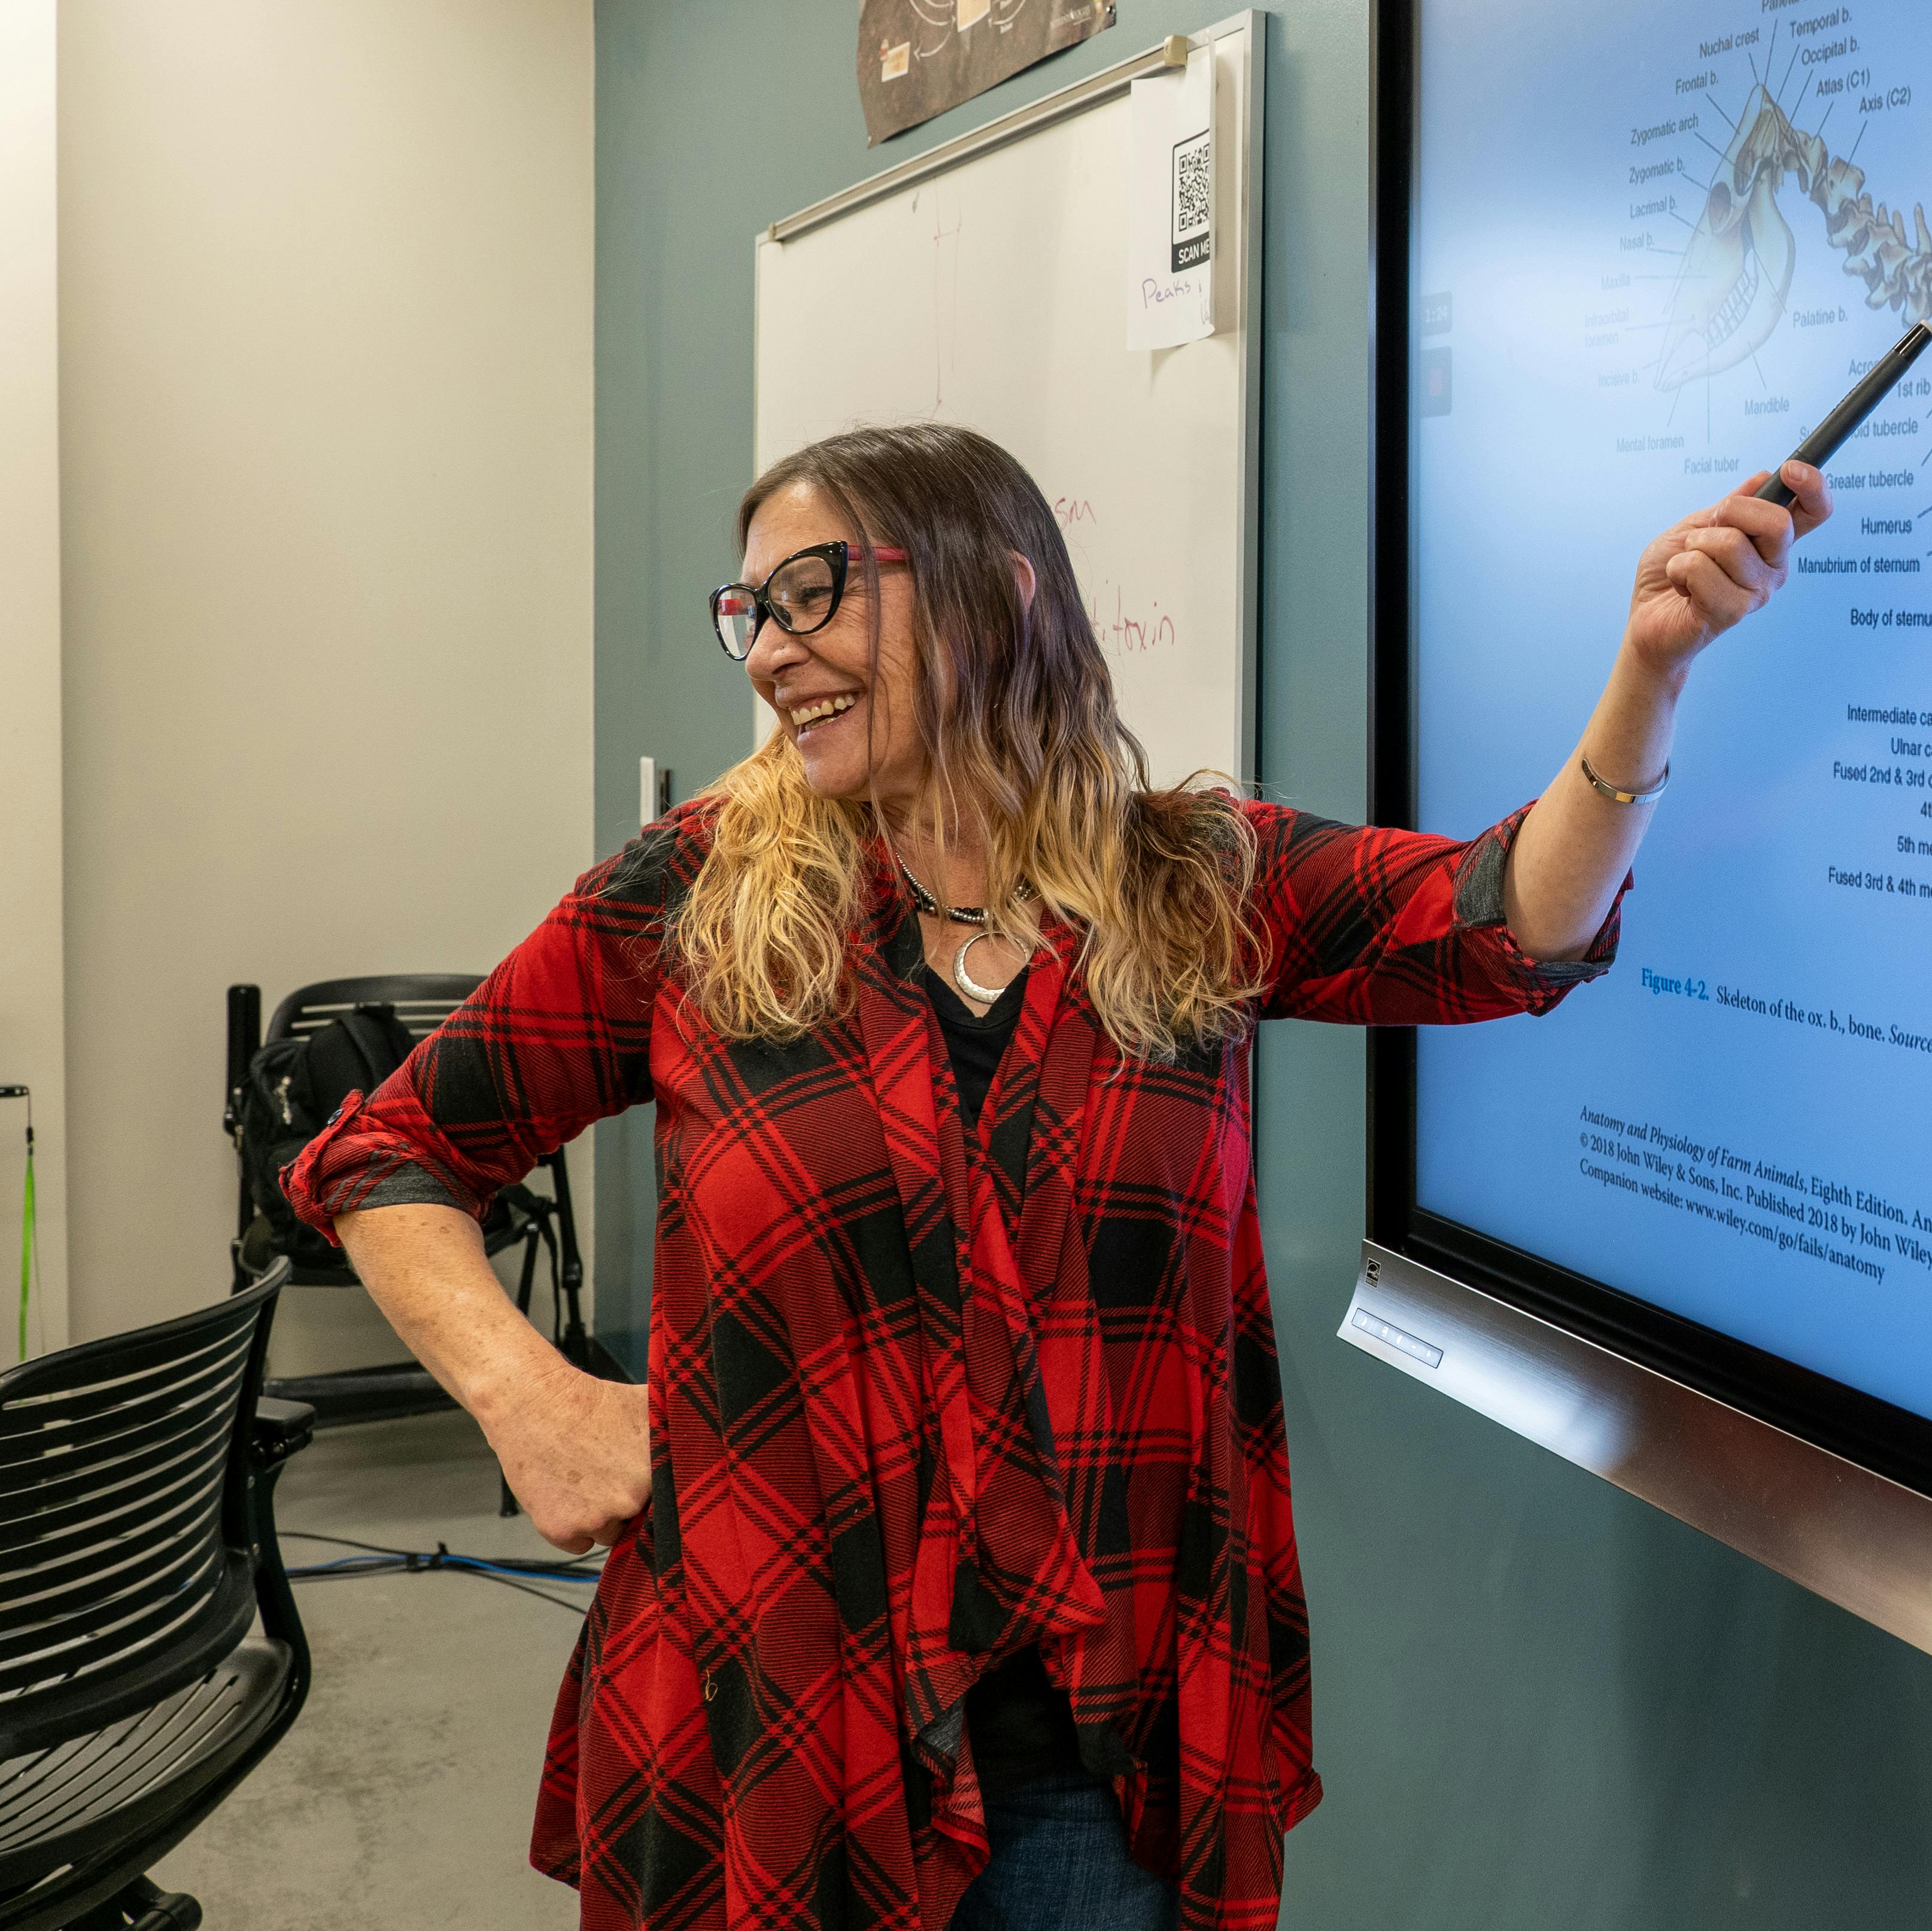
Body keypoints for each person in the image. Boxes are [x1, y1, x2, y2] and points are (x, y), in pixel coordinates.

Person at [290, 421, 1828, 1931]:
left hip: (1098, 1755)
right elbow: (391, 1149)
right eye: (751, 610)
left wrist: (1652, 672)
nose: (767, 650)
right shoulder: (688, 898)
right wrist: (527, 1393)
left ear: (997, 591)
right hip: (773, 1707)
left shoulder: (1190, 878)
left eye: (814, 590)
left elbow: (1505, 922)